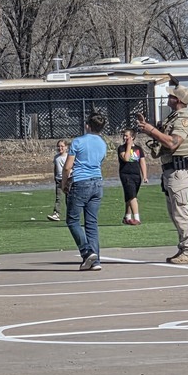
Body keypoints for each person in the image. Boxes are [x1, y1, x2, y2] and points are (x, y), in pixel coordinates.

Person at [136, 85, 188, 265]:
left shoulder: (183, 119)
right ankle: (184, 248)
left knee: (181, 212)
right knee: (175, 212)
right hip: (171, 170)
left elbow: (173, 143)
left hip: (179, 170)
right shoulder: (173, 117)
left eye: (171, 96)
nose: (168, 98)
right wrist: (149, 128)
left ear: (177, 100)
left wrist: (151, 130)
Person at [62, 113, 107, 271]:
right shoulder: (102, 143)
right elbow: (99, 161)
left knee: (72, 220)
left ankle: (86, 251)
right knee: (91, 223)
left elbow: (68, 167)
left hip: (81, 182)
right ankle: (95, 261)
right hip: (97, 182)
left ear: (87, 125)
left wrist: (64, 183)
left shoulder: (78, 141)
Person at [117, 129, 148, 225]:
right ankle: (137, 218)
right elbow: (126, 158)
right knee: (132, 196)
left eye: (127, 136)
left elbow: (142, 162)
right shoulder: (121, 148)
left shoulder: (138, 149)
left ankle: (127, 217)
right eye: (124, 135)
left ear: (133, 137)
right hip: (126, 174)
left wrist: (145, 176)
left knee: (130, 196)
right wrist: (129, 146)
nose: (125, 137)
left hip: (136, 175)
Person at [47, 139, 69, 221]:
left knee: (68, 198)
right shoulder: (56, 157)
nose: (60, 148)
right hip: (59, 180)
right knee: (58, 198)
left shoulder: (68, 157)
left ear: (66, 147)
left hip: (67, 180)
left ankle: (70, 214)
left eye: (62, 146)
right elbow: (55, 168)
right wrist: (55, 177)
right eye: (59, 146)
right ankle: (56, 213)